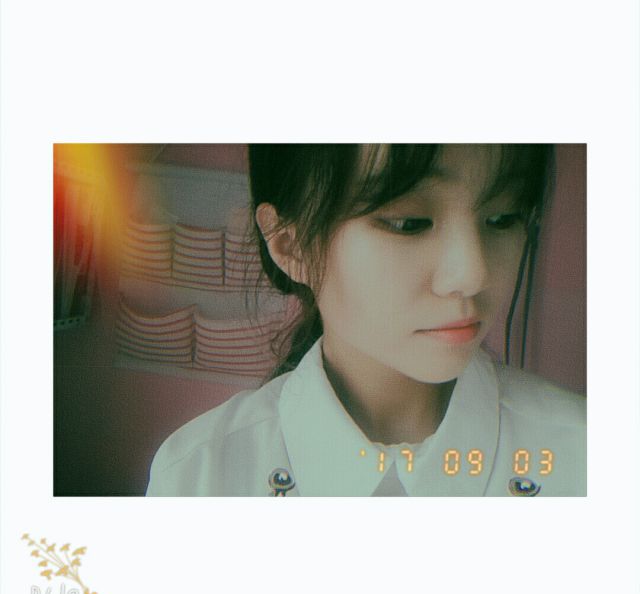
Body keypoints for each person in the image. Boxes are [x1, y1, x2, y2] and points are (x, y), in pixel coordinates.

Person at [146, 144, 586, 497]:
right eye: (409, 223)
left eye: (503, 218)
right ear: (290, 245)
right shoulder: (199, 476)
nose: (473, 274)